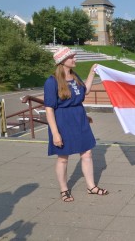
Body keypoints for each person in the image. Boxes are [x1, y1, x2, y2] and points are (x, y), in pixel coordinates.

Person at [44, 47, 108, 202]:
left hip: (79, 118)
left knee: (87, 153)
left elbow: (84, 92)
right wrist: (55, 133)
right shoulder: (51, 82)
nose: (75, 59)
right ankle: (64, 189)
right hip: (63, 121)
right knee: (63, 158)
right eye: (72, 57)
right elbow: (49, 109)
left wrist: (92, 72)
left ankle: (91, 186)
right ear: (62, 61)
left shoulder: (75, 76)